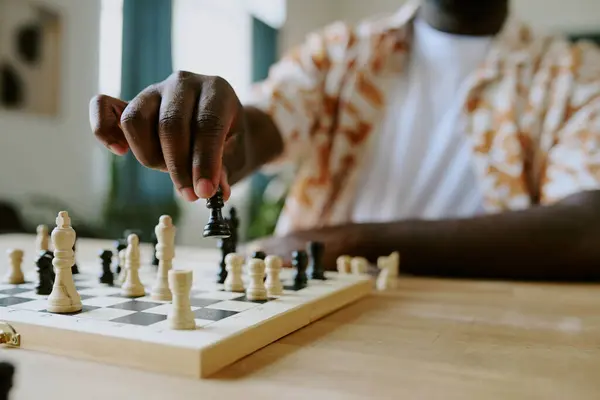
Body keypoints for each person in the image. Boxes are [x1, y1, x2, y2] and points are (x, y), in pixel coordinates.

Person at [90, 0, 600, 280]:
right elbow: (258, 133)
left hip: (479, 329)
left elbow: (587, 228)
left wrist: (353, 243)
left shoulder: (576, 72)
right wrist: (215, 130)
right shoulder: (340, 52)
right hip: (310, 313)